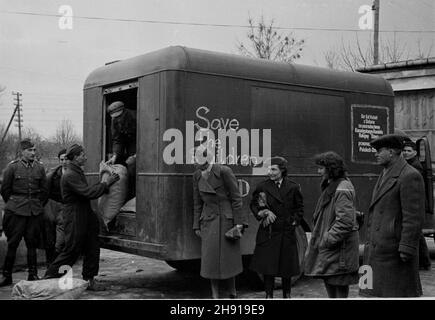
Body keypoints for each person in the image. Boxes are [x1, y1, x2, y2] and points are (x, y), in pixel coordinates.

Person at [44, 144, 119, 290]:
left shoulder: (76, 171)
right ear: (75, 157)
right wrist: (106, 183)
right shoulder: (70, 175)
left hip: (84, 214)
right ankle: (50, 278)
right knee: (71, 249)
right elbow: (88, 192)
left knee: (92, 246)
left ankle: (89, 279)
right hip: (75, 216)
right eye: (82, 154)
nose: (85, 156)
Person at [360, 134, 425, 297]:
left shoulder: (410, 176)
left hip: (394, 253)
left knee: (394, 293)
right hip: (377, 250)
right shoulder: (385, 173)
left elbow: (413, 218)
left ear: (392, 151)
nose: (375, 154)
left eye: (379, 150)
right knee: (370, 292)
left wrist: (406, 248)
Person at [192, 146, 248, 299]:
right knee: (210, 260)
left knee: (228, 259)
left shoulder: (224, 171)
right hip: (208, 221)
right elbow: (197, 202)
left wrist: (239, 223)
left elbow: (236, 198)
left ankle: (232, 291)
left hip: (226, 220)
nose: (196, 162)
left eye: (198, 158)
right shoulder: (197, 175)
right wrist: (196, 225)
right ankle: (215, 295)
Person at [304, 151, 359, 298]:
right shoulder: (333, 185)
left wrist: (327, 239)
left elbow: (345, 221)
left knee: (339, 286)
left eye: (322, 168)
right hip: (334, 248)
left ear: (331, 168)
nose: (319, 171)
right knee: (331, 282)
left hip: (340, 249)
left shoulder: (342, 186)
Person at [249, 156, 304, 298]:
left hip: (286, 232)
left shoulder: (293, 187)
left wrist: (293, 222)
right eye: (268, 169)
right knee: (268, 268)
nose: (270, 172)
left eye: (273, 169)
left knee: (287, 269)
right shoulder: (263, 186)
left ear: (282, 170)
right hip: (269, 232)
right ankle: (269, 296)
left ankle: (287, 295)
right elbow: (255, 204)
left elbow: (299, 209)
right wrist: (264, 212)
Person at [0, 139, 47, 286]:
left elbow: (44, 191)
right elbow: (5, 190)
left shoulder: (40, 168)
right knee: (13, 243)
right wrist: (14, 205)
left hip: (34, 212)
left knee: (32, 243)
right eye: (30, 150)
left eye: (34, 150)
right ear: (22, 152)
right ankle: (7, 276)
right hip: (16, 212)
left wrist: (37, 205)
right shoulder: (12, 168)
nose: (33, 153)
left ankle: (32, 275)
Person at [402, 139, 431, 270]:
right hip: (417, 203)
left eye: (409, 151)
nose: (406, 153)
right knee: (417, 233)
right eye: (404, 150)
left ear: (414, 152)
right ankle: (424, 262)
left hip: (417, 204)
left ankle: (424, 262)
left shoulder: (415, 167)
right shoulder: (411, 164)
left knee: (417, 233)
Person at [41, 148, 68, 267]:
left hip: (66, 208)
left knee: (61, 240)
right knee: (49, 238)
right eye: (62, 159)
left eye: (66, 159)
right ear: (59, 160)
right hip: (52, 207)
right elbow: (45, 193)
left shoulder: (75, 173)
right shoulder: (53, 175)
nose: (64, 161)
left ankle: (58, 265)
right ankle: (50, 265)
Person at [106, 101, 136, 200]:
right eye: (114, 117)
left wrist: (136, 156)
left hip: (138, 142)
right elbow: (117, 140)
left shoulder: (134, 116)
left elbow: (146, 137)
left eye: (118, 116)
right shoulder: (114, 120)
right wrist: (115, 156)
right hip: (128, 143)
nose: (117, 119)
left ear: (123, 112)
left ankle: (134, 196)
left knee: (133, 167)